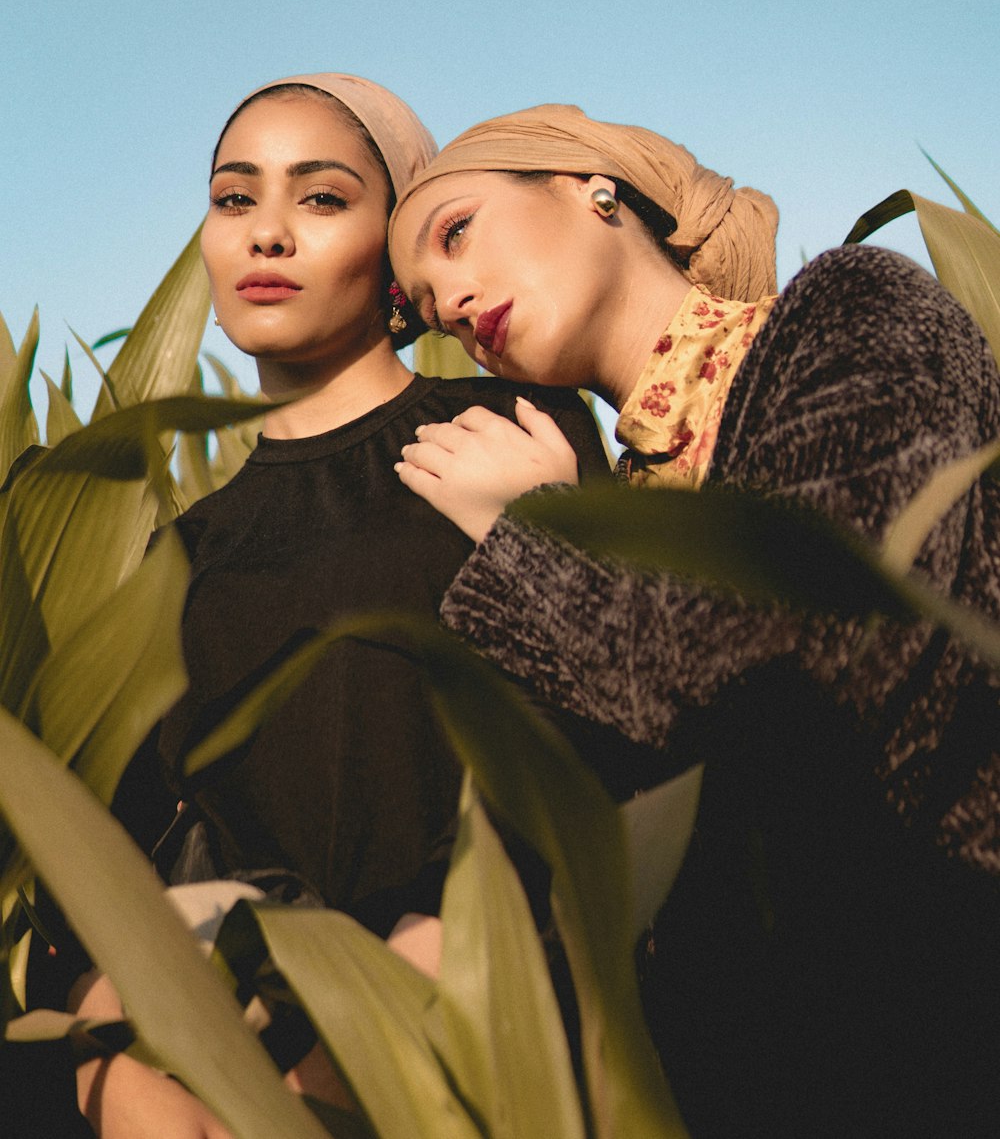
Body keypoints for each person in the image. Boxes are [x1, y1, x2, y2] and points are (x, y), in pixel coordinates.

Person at [387, 103, 1000, 1138]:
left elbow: (826, 646)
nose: (449, 299)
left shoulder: (852, 309)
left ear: (593, 188)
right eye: (429, 309)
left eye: (455, 233)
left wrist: (533, 537)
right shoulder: (603, 488)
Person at [64, 78, 610, 1135]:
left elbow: (607, 726)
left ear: (394, 251)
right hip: (232, 1034)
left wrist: (365, 1034)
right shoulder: (187, 551)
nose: (267, 232)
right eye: (234, 199)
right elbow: (118, 875)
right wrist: (109, 1060)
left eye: (322, 199)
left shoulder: (505, 429)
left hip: (473, 1015)